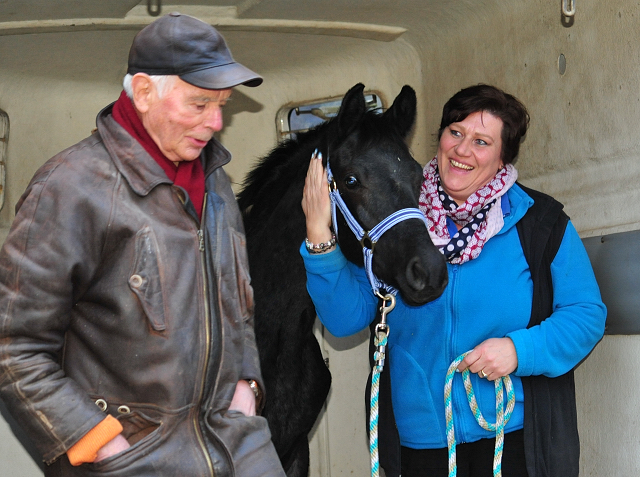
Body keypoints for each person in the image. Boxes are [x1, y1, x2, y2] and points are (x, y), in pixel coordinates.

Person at [0, 12, 284, 477]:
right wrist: (100, 443)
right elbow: (13, 347)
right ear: (145, 92)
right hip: (133, 459)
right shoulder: (69, 188)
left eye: (223, 105)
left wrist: (246, 386)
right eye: (198, 105)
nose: (215, 122)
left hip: (240, 448)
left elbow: (238, 307)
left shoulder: (217, 186)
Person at [301, 84, 606, 477]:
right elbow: (345, 319)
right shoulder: (395, 215)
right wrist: (318, 232)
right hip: (421, 443)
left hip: (512, 438)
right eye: (455, 133)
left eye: (481, 141)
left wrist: (519, 350)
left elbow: (586, 315)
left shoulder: (539, 224)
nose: (462, 150)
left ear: (502, 159)